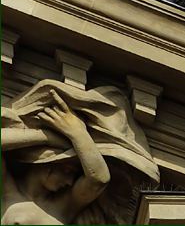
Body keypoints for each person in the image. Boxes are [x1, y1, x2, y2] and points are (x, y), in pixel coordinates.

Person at [1, 89, 110, 225]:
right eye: (68, 171)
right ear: (50, 162)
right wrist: (47, 137)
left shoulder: (64, 207)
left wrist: (78, 133)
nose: (70, 182)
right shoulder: (6, 192)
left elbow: (98, 180)